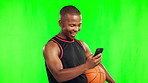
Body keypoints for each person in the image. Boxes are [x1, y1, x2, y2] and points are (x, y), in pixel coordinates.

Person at [43, 5, 115, 83]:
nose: (76, 29)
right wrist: (86, 66)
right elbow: (59, 76)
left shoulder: (82, 45)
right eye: (72, 25)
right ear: (61, 23)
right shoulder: (52, 46)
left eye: (79, 25)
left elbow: (95, 64)